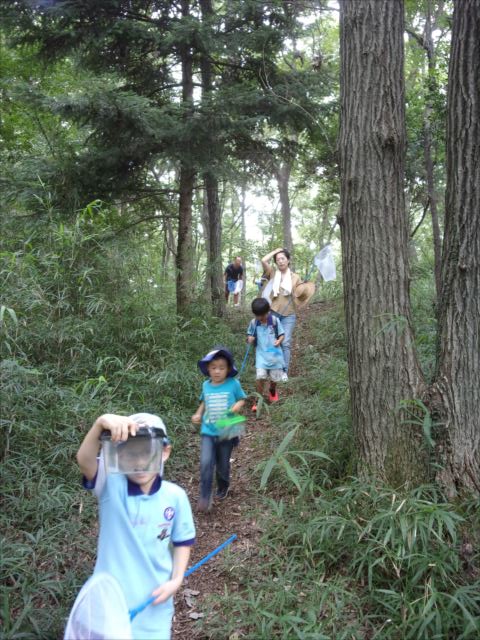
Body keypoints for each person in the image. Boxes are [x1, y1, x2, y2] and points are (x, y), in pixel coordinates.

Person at [76, 412, 195, 640]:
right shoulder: (110, 485)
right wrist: (100, 422)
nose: (139, 462)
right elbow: (84, 460)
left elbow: (183, 541)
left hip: (155, 603)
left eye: (146, 452)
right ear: (118, 455)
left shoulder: (175, 496)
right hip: (109, 604)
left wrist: (176, 580)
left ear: (165, 451)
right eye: (130, 453)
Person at [191, 348, 246, 512]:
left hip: (226, 431)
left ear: (228, 369)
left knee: (222, 465)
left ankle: (223, 486)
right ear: (208, 369)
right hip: (208, 430)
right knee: (206, 462)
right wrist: (198, 413)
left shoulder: (233, 384)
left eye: (221, 368)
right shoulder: (205, 385)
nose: (217, 371)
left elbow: (243, 399)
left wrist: (237, 405)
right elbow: (204, 401)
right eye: (213, 367)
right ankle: (205, 496)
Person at [260, 247, 302, 379]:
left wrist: (302, 290)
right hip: (273, 312)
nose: (281, 261)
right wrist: (276, 251)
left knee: (285, 342)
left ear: (288, 260)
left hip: (289, 315)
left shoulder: (295, 277)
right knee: (271, 340)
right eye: (278, 260)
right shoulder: (273, 273)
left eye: (283, 258)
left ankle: (284, 371)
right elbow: (263, 260)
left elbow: (301, 295)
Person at [247, 298, 285, 412]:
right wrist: (250, 339)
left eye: (262, 315)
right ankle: (258, 399)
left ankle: (272, 390)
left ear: (268, 311)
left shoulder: (274, 321)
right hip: (261, 355)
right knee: (260, 377)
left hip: (275, 356)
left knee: (275, 378)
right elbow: (249, 336)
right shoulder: (254, 323)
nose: (260, 318)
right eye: (257, 315)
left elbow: (282, 334)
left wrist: (279, 341)